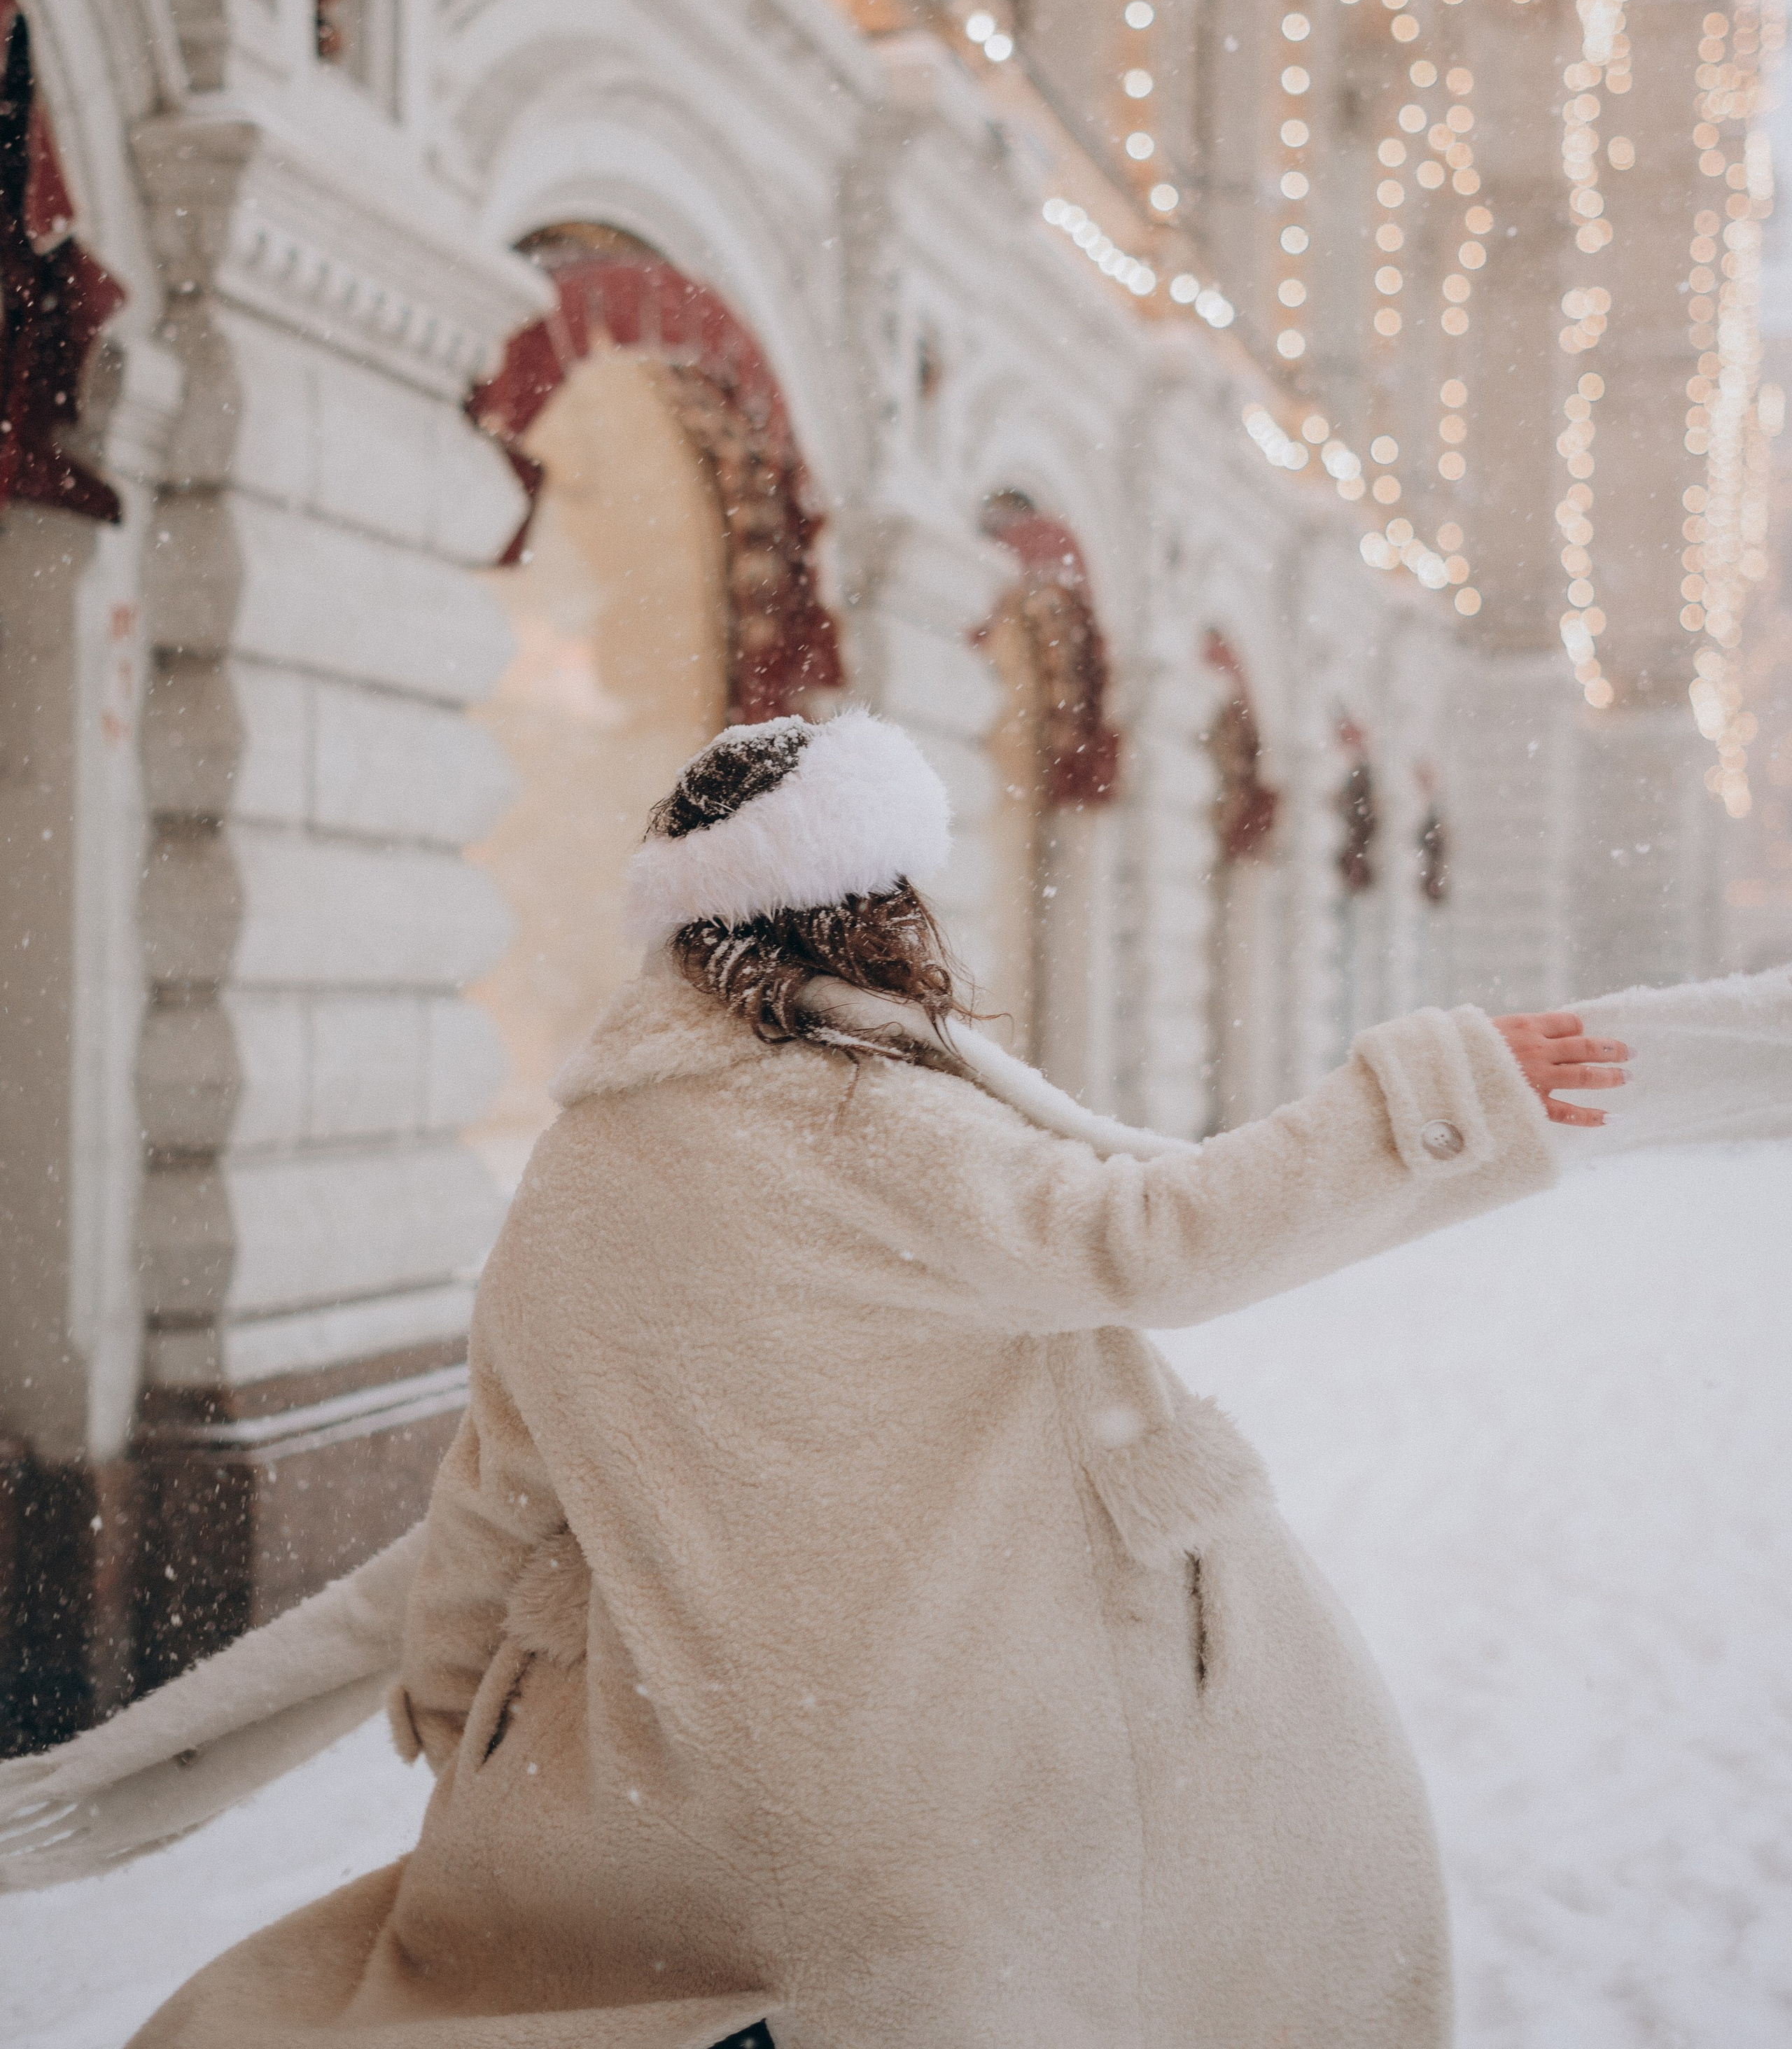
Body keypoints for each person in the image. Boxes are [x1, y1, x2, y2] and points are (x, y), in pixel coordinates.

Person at [28, 713, 1642, 2046]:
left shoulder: (576, 1178)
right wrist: (1423, 1099)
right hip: (943, 1796)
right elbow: (1157, 1237)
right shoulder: (882, 1128)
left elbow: (491, 1501)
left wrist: (468, 1724)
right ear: (871, 906)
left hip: (690, 1800)